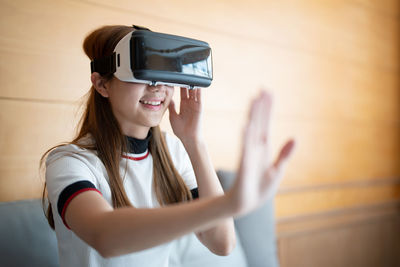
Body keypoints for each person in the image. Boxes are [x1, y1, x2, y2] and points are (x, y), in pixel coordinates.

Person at [41, 25, 296, 267]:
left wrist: (193, 141)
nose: (158, 87)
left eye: (164, 75)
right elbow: (103, 236)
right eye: (143, 72)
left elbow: (222, 242)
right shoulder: (70, 161)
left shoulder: (176, 154)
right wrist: (230, 203)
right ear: (102, 84)